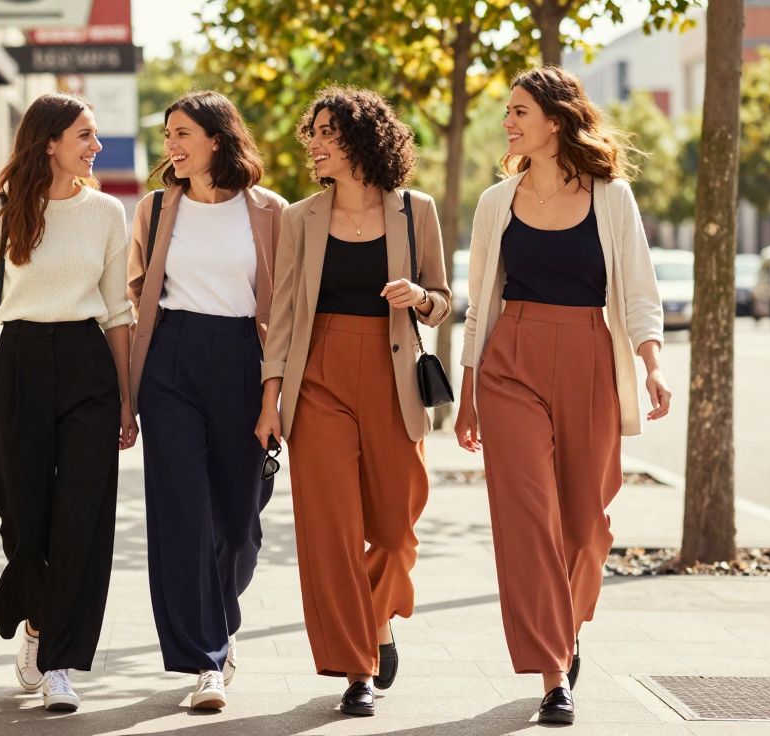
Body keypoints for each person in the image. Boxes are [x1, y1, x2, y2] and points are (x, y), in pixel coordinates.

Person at [454, 65, 671, 726]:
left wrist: (653, 364)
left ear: (554, 120)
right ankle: (553, 673)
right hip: (510, 361)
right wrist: (466, 393)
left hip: (588, 359)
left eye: (520, 111)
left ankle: (566, 626)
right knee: (526, 518)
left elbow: (636, 288)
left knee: (585, 528)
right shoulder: (497, 202)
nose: (508, 122)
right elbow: (479, 306)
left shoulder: (612, 195)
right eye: (507, 112)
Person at [254, 86, 451, 718]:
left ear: (361, 139)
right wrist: (270, 397)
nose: (312, 142)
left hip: (392, 376)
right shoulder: (300, 218)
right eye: (310, 131)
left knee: (395, 530)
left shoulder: (415, 211)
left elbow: (444, 301)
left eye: (326, 131)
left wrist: (419, 297)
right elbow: (283, 313)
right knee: (330, 531)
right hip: (319, 378)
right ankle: (354, 666)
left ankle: (377, 621)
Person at [0, 92, 137, 713]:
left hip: (89, 367)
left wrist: (126, 398)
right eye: (85, 135)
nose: (96, 146)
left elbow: (118, 313)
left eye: (95, 134)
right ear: (50, 142)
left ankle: (61, 659)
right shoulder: (0, 214)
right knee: (25, 516)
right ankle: (33, 616)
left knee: (83, 517)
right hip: (21, 366)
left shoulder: (108, 213)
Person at [126, 90, 287, 711]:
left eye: (182, 133)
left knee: (239, 523)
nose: (172, 145)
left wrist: (272, 396)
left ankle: (223, 617)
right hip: (172, 358)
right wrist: (129, 394)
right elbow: (136, 296)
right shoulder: (155, 209)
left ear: (217, 138)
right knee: (184, 512)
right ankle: (206, 660)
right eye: (168, 134)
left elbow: (282, 312)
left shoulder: (269, 212)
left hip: (244, 362)